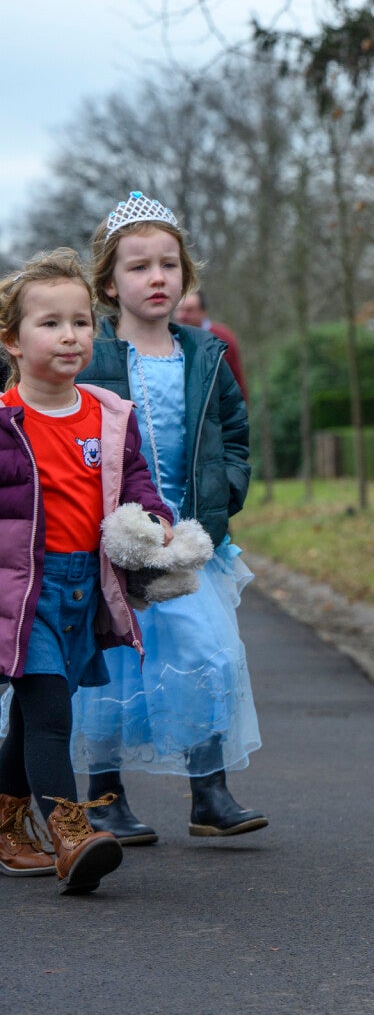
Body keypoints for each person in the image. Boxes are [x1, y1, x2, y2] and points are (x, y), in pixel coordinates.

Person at [70, 192, 265, 842]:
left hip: (189, 536)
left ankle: (208, 792)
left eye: (168, 265)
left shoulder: (204, 355)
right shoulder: (92, 356)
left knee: (211, 656)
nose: (156, 278)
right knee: (112, 670)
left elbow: (234, 435)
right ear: (108, 282)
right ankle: (104, 797)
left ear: (186, 275)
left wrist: (222, 494)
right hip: (115, 537)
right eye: (138, 266)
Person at [0, 248, 173, 894]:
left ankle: (7, 824)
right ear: (12, 340)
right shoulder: (3, 422)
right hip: (21, 593)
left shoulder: (109, 413)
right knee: (48, 711)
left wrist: (155, 521)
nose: (70, 335)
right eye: (50, 323)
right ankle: (71, 834)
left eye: (81, 321)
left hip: (85, 590)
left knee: (33, 716)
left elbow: (136, 486)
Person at [175, 290, 247, 400]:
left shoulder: (223, 338)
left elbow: (237, 381)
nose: (182, 316)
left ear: (203, 312)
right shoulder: (170, 340)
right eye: (179, 310)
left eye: (189, 310)